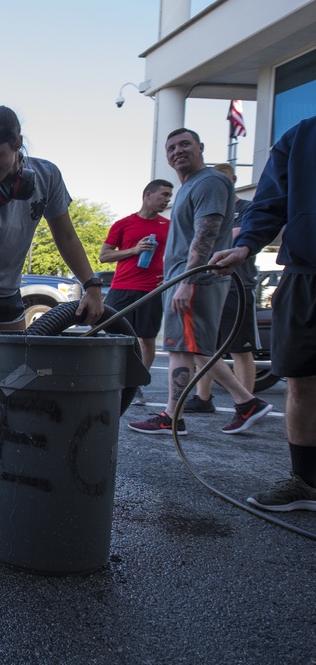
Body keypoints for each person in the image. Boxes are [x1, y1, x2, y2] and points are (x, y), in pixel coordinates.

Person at [129, 128, 271, 436]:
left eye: (185, 144)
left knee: (189, 347)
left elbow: (207, 232)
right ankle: (197, 411)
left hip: (195, 279)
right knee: (186, 347)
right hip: (187, 278)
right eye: (171, 148)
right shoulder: (192, 185)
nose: (177, 151)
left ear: (201, 147)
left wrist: (187, 281)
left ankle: (230, 405)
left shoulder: (209, 181)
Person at [210, 115, 316, 511]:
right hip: (305, 273)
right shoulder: (302, 136)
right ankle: (305, 481)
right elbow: (270, 201)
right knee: (302, 380)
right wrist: (246, 245)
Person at [0, 105, 104, 336]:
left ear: (16, 143)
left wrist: (91, 287)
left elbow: (66, 237)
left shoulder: (48, 175)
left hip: (9, 291)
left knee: (17, 369)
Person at [184, 163, 260, 413]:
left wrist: (206, 233)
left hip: (238, 285)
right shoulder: (202, 207)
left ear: (233, 180)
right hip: (210, 284)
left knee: (240, 347)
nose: (216, 186)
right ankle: (202, 397)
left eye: (222, 180)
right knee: (204, 346)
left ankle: (246, 403)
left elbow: (231, 237)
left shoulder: (247, 208)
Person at [99, 179, 174, 405]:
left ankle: (136, 384)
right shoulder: (124, 224)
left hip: (151, 290)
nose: (167, 200)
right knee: (113, 336)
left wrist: (169, 275)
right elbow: (104, 256)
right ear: (147, 195)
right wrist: (135, 250)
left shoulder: (169, 226)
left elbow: (177, 255)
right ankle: (111, 381)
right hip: (122, 288)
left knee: (147, 339)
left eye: (169, 196)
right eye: (163, 195)